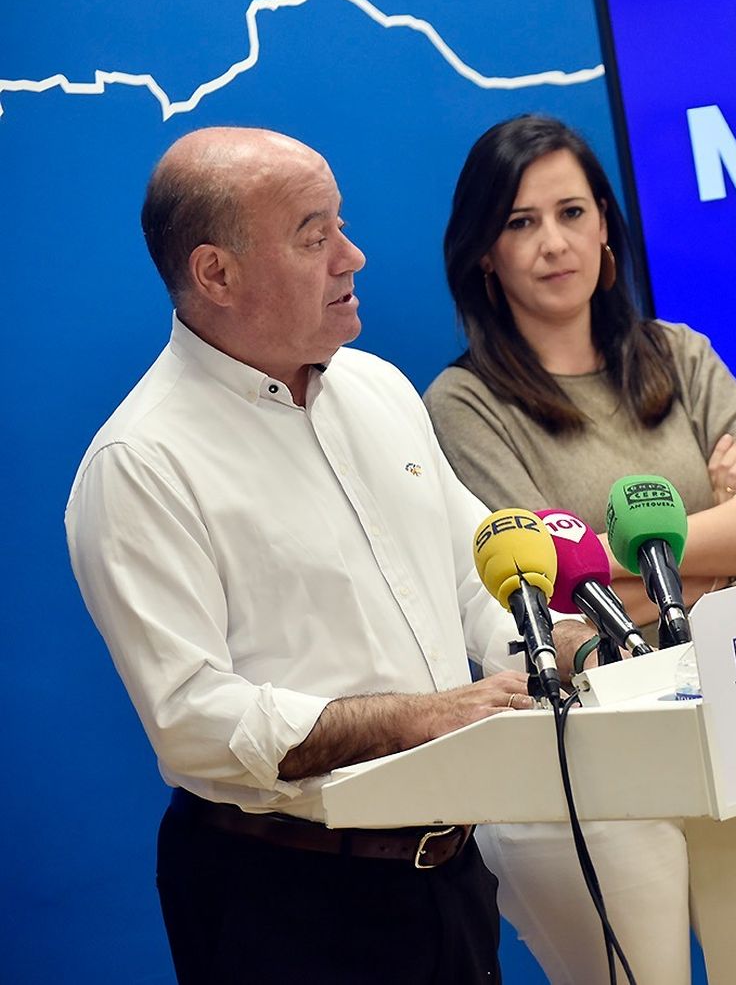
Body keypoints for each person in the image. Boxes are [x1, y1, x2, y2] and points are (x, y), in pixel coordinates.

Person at [65, 127, 531, 983]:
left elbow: (477, 572)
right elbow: (195, 720)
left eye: (340, 224)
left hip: (450, 880)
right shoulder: (141, 463)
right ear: (217, 273)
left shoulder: (381, 388)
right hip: (286, 902)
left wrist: (565, 643)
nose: (352, 255)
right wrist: (421, 715)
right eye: (314, 237)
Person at [422, 115, 736, 985]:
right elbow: (535, 579)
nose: (554, 242)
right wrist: (714, 532)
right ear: (483, 253)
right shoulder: (463, 404)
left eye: (572, 212)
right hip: (591, 750)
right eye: (520, 222)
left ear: (606, 228)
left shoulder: (681, 356)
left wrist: (627, 552)